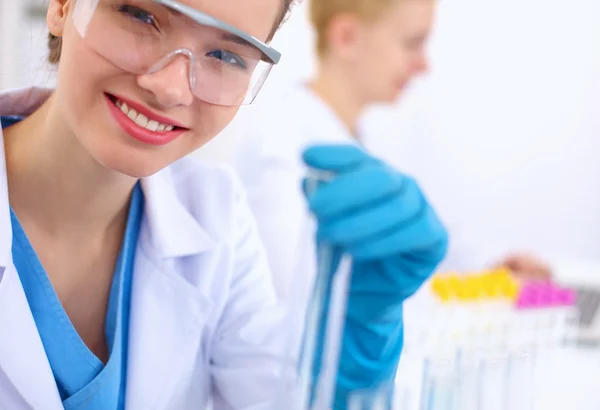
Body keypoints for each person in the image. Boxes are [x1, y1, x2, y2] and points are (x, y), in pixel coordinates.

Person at [0, 1, 447, 409]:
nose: (171, 88)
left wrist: (354, 353)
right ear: (61, 6)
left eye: (227, 56)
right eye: (140, 15)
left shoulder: (216, 217)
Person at [233, 0, 550, 310]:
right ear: (346, 37)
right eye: (412, 43)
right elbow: (310, 298)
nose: (424, 65)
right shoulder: (281, 150)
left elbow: (417, 238)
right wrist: (484, 291)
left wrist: (491, 266)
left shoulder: (362, 140)